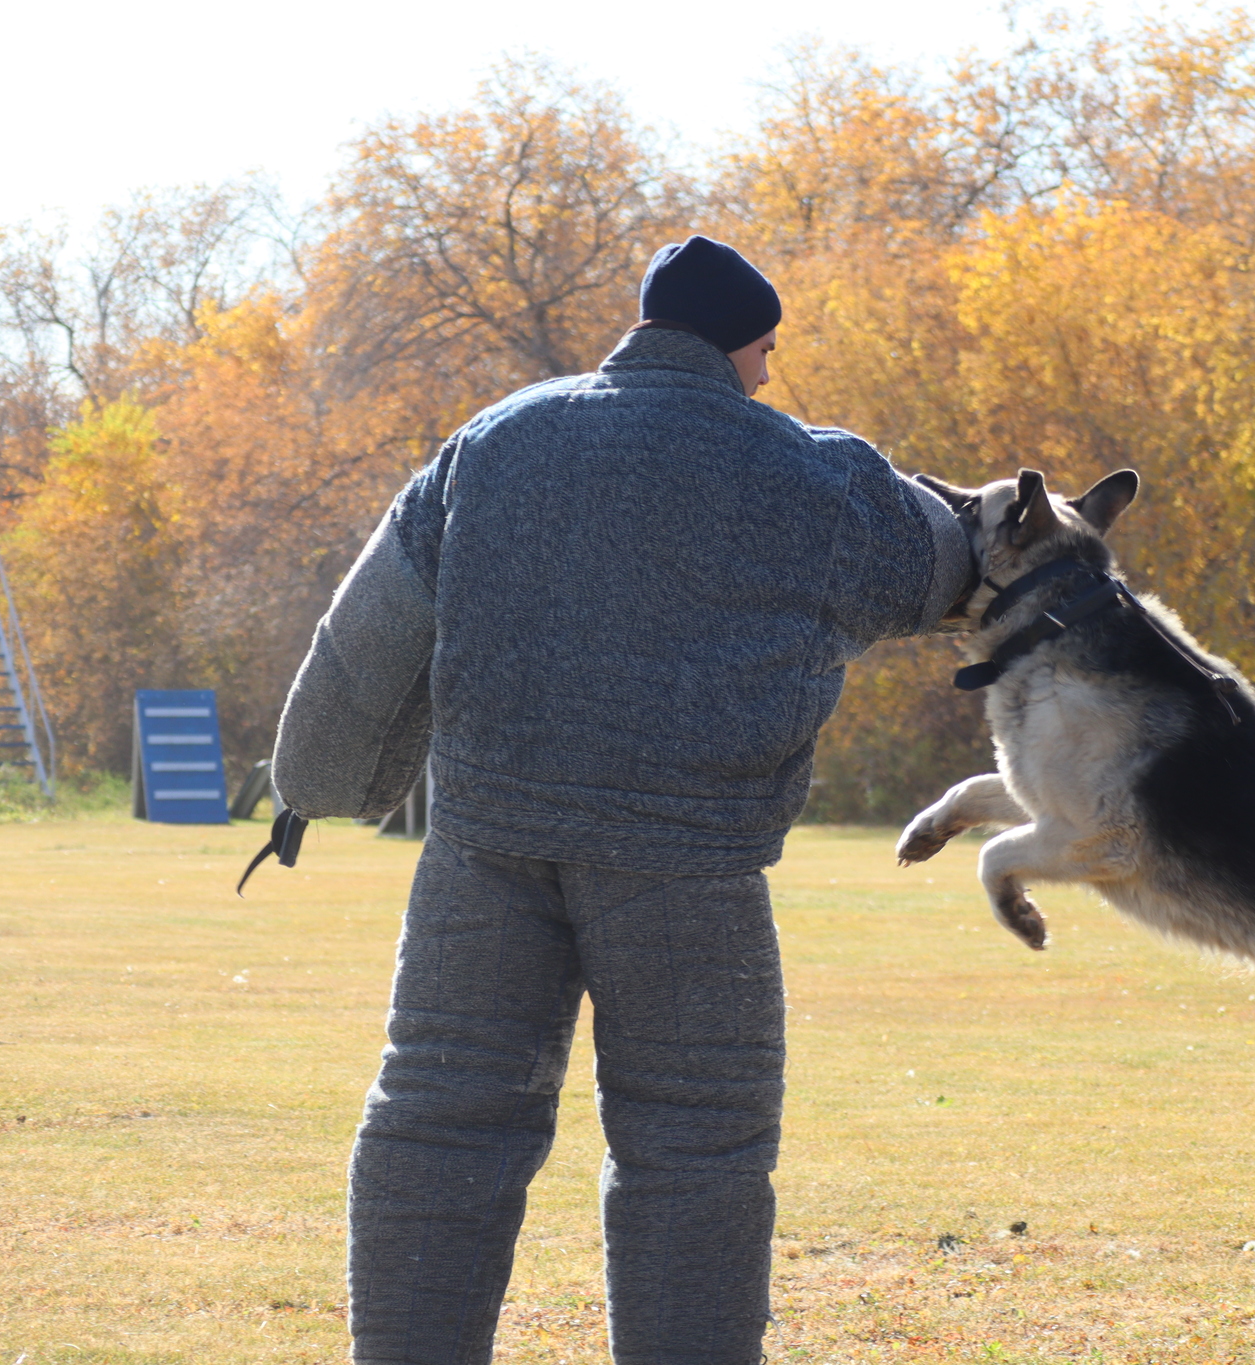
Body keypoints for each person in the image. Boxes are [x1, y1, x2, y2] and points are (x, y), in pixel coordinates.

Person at [268, 235, 975, 1365]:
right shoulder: (813, 471)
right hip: (686, 872)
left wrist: (308, 784)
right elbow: (939, 563)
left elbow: (367, 629)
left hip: (484, 852)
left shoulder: (495, 439)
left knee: (438, 1120)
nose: (767, 373)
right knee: (697, 1148)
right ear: (742, 342)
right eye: (766, 351)